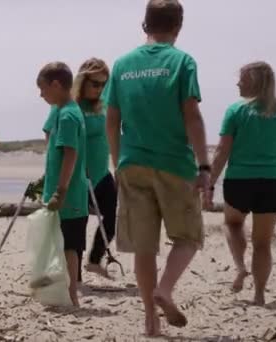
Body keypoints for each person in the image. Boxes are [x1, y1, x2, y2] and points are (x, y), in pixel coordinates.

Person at [105, 0, 210, 335]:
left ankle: (150, 319)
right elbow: (191, 115)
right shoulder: (181, 61)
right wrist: (204, 164)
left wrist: (116, 161)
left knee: (143, 246)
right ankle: (164, 289)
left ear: (144, 25)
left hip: (131, 163)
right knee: (188, 237)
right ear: (178, 27)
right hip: (173, 163)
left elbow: (112, 119)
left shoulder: (122, 65)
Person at [208, 61, 276, 306]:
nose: (238, 83)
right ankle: (259, 295)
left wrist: (209, 184)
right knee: (263, 243)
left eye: (242, 79)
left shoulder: (235, 111)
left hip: (240, 180)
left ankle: (240, 267)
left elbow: (221, 152)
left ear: (255, 82)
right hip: (273, 182)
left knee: (232, 223)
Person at [37, 62, 89, 306]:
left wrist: (60, 190)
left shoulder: (68, 114)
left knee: (70, 247)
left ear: (56, 85)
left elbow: (70, 154)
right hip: (59, 192)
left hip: (70, 197)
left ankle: (71, 296)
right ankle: (58, 292)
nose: (41, 95)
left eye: (43, 89)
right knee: (57, 244)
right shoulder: (61, 111)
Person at [71, 58, 118, 280]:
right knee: (77, 225)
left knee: (111, 221)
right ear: (83, 81)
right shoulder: (71, 107)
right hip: (79, 175)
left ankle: (94, 260)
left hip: (102, 173)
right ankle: (74, 274)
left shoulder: (104, 103)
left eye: (103, 84)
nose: (99, 89)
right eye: (95, 83)